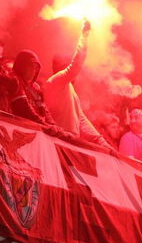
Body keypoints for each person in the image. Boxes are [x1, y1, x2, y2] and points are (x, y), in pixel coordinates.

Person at [43, 20, 110, 148]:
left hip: (70, 140)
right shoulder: (55, 81)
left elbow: (81, 120)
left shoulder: (69, 89)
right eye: (67, 65)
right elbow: (76, 64)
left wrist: (104, 144)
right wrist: (84, 35)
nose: (76, 74)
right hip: (58, 141)